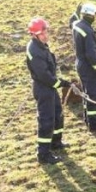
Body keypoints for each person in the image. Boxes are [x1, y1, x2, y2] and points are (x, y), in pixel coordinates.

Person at [26, 17, 71, 165]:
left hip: (50, 87)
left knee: (57, 114)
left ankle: (56, 143)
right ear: (34, 35)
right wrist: (59, 83)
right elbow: (43, 75)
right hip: (44, 88)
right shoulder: (34, 50)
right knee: (46, 120)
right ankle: (43, 154)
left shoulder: (42, 46)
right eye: (42, 33)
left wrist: (58, 82)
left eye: (46, 32)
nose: (46, 35)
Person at [72, 2, 96, 132]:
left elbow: (72, 20)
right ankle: (94, 124)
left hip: (80, 64)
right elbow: (91, 54)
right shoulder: (87, 31)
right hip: (88, 67)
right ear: (93, 15)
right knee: (93, 94)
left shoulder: (77, 25)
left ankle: (88, 119)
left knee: (87, 93)